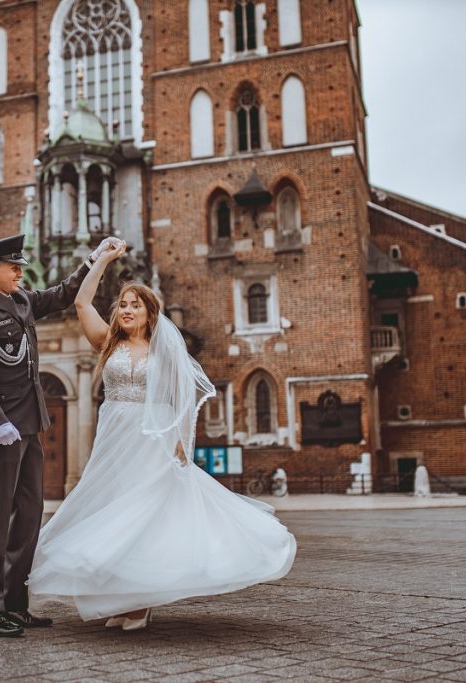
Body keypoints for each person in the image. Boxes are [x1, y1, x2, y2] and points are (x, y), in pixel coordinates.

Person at [27, 243, 297, 630]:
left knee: (146, 512)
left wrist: (182, 441)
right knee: (117, 510)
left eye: (135, 304)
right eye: (123, 304)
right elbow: (83, 303)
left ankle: (140, 601)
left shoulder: (164, 350)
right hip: (115, 436)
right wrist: (102, 259)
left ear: (150, 313)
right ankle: (122, 597)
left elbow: (182, 398)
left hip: (153, 434)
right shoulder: (108, 343)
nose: (127, 310)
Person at [0, 232, 122, 638]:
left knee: (28, 517)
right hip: (0, 430)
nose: (19, 273)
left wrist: (95, 259)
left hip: (29, 423)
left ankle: (15, 603)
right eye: (14, 268)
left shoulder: (23, 301)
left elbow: (63, 294)